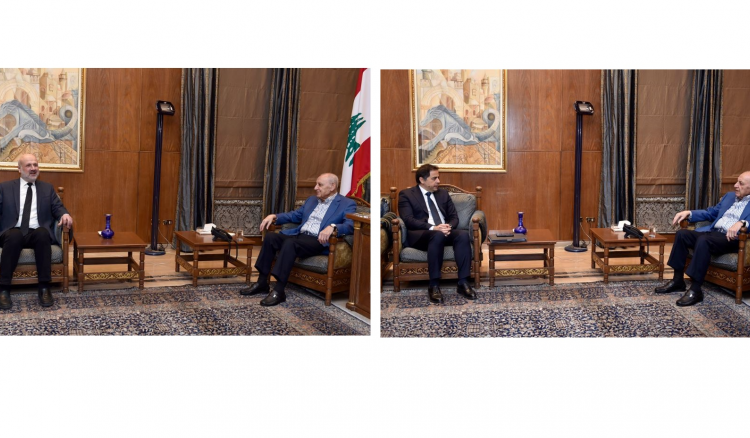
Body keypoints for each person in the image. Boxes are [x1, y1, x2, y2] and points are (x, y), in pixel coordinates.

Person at [239, 173, 356, 306]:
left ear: (332, 186)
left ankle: (279, 291)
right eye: (316, 184)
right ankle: (262, 282)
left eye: (320, 185)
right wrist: (274, 216)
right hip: (300, 236)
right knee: (271, 237)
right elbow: (295, 215)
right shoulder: (312, 200)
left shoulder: (346, 204)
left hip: (318, 241)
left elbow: (350, 225)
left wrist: (333, 227)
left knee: (290, 243)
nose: (315, 187)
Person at [655, 171, 750, 306]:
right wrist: (689, 213)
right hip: (713, 232)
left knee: (704, 240)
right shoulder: (729, 196)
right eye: (736, 182)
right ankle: (678, 281)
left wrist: (743, 223)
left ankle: (695, 289)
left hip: (731, 239)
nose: (735, 185)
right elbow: (711, 213)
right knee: (682, 234)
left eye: (740, 183)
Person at [0, 154, 73, 310]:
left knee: (42, 233)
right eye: (28, 165)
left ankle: (44, 287)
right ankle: (4, 288)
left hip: (36, 232)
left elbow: (57, 207)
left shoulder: (47, 188)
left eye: (35, 165)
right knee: (14, 235)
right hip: (12, 231)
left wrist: (64, 214)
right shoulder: (5, 188)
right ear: (19, 169)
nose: (33, 168)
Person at [398, 164, 476, 304]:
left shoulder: (443, 194)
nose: (438, 181)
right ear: (422, 180)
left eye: (438, 177)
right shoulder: (407, 195)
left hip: (443, 231)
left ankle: (463, 282)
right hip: (421, 235)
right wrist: (434, 228)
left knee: (462, 235)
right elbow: (408, 220)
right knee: (437, 235)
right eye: (434, 178)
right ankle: (433, 284)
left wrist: (448, 226)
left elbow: (454, 217)